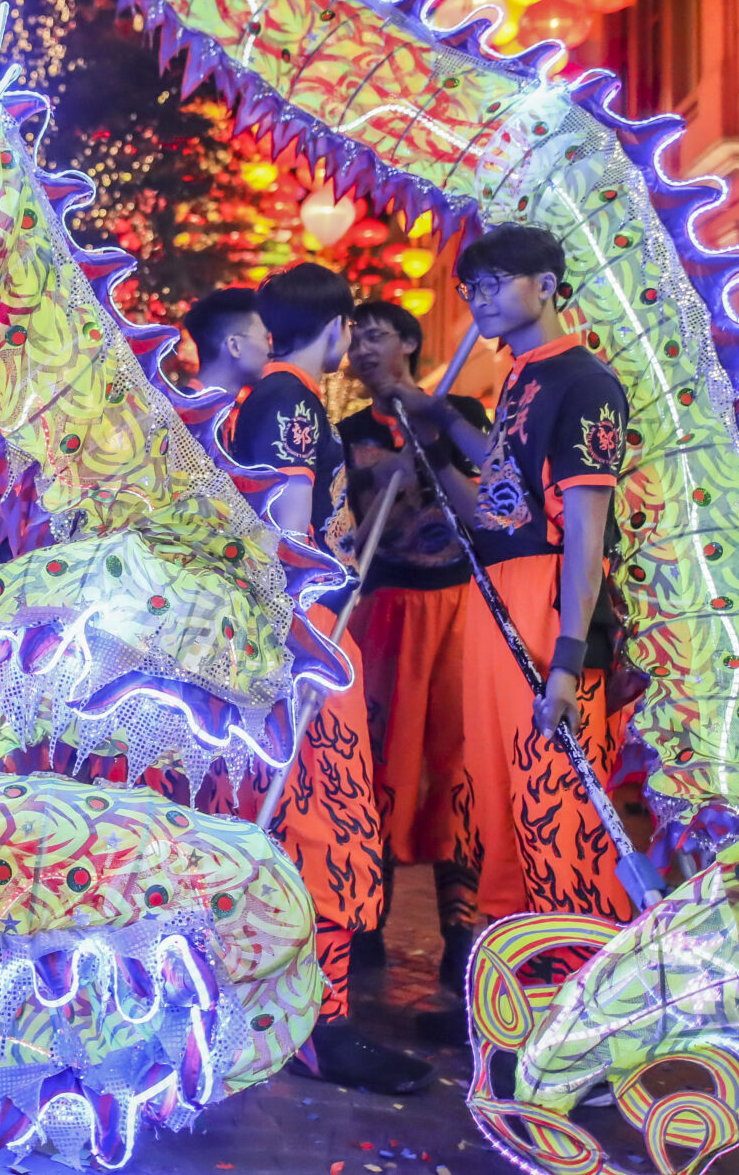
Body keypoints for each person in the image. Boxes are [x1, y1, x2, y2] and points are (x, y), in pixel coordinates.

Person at [222, 264, 429, 1095]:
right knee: (329, 828)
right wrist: (304, 646)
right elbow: (289, 531)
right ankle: (318, 1019)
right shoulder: (291, 402)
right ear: (338, 329)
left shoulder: (268, 398)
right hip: (310, 640)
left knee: (312, 825)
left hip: (304, 639)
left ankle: (299, 1007)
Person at [390, 224, 630, 933]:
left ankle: (576, 989)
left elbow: (586, 531)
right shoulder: (523, 376)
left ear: (548, 286)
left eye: (496, 283)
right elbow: (507, 479)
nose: (479, 299)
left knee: (557, 804)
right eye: (473, 287)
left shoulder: (585, 382)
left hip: (546, 603)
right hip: (496, 597)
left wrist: (566, 659)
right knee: (497, 802)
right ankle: (517, 1000)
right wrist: (439, 422)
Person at [338, 298, 489, 983]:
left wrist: (427, 432)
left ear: (408, 341)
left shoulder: (459, 414)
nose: (364, 348)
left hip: (459, 603)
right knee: (379, 763)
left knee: (457, 763)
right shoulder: (347, 431)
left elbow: (484, 504)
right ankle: (368, 917)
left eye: (376, 335)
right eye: (356, 338)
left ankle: (463, 929)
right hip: (387, 603)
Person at [180, 287, 269, 399]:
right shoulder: (180, 412)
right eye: (266, 338)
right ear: (235, 346)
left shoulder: (222, 411)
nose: (272, 350)